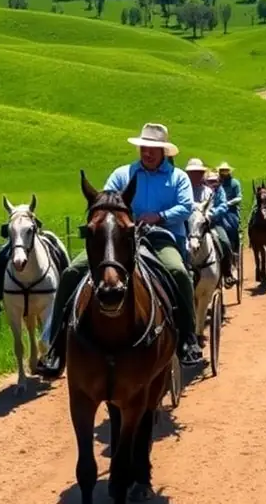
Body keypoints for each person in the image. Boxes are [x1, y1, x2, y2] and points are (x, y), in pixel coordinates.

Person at [36, 122, 203, 377]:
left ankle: (187, 339)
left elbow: (186, 207)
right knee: (71, 272)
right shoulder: (122, 174)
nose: (147, 153)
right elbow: (104, 200)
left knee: (178, 272)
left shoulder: (177, 177)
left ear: (164, 152)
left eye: (153, 149)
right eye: (144, 148)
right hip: (119, 239)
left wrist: (158, 216)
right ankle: (56, 345)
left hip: (161, 237)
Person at [184, 160, 236, 287]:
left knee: (224, 242)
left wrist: (211, 214)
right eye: (192, 173)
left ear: (202, 173)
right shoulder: (184, 190)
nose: (195, 176)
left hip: (210, 225)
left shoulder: (208, 191)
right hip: (188, 226)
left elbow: (223, 206)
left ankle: (227, 272)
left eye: (198, 173)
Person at [217, 161, 242, 257]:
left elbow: (239, 197)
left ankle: (235, 247)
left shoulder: (235, 183)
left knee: (232, 226)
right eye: (222, 171)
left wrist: (228, 203)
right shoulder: (217, 182)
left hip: (231, 210)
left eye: (225, 171)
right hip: (218, 209)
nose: (223, 173)